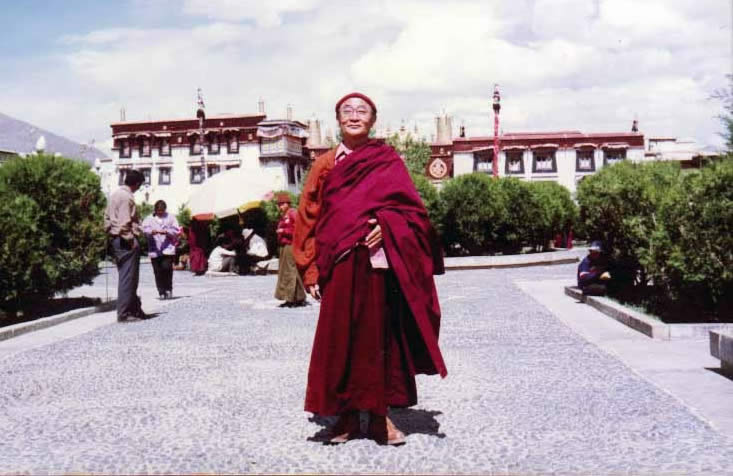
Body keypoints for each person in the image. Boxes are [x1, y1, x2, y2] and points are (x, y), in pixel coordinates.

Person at [293, 92, 447, 446]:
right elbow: (308, 217)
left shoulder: (387, 160)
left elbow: (413, 213)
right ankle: (345, 417)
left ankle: (380, 417)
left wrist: (386, 222)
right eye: (347, 111)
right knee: (341, 341)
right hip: (339, 264)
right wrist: (310, 270)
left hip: (379, 265)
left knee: (378, 340)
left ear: (373, 120)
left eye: (362, 111)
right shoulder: (326, 164)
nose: (354, 116)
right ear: (337, 120)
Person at [104, 169, 148, 322]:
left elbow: (107, 218)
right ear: (136, 184)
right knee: (128, 278)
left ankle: (135, 309)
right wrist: (131, 240)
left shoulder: (115, 194)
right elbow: (124, 223)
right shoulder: (126, 197)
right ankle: (124, 313)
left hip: (115, 238)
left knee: (128, 276)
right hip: (125, 240)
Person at [142, 200, 180, 299]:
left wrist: (166, 232)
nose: (160, 213)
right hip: (154, 249)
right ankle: (161, 291)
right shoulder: (149, 219)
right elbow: (143, 229)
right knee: (157, 271)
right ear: (155, 210)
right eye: (158, 211)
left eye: (162, 211)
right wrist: (151, 231)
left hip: (167, 248)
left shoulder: (171, 217)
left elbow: (176, 230)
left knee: (167, 268)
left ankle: (168, 289)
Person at [274, 193, 306, 307]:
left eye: (282, 204)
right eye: (279, 204)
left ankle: (292, 298)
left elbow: (298, 230)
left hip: (290, 245)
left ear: (288, 203)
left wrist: (284, 231)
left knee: (290, 271)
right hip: (284, 246)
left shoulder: (293, 213)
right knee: (286, 271)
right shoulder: (285, 215)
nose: (280, 206)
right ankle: (295, 297)